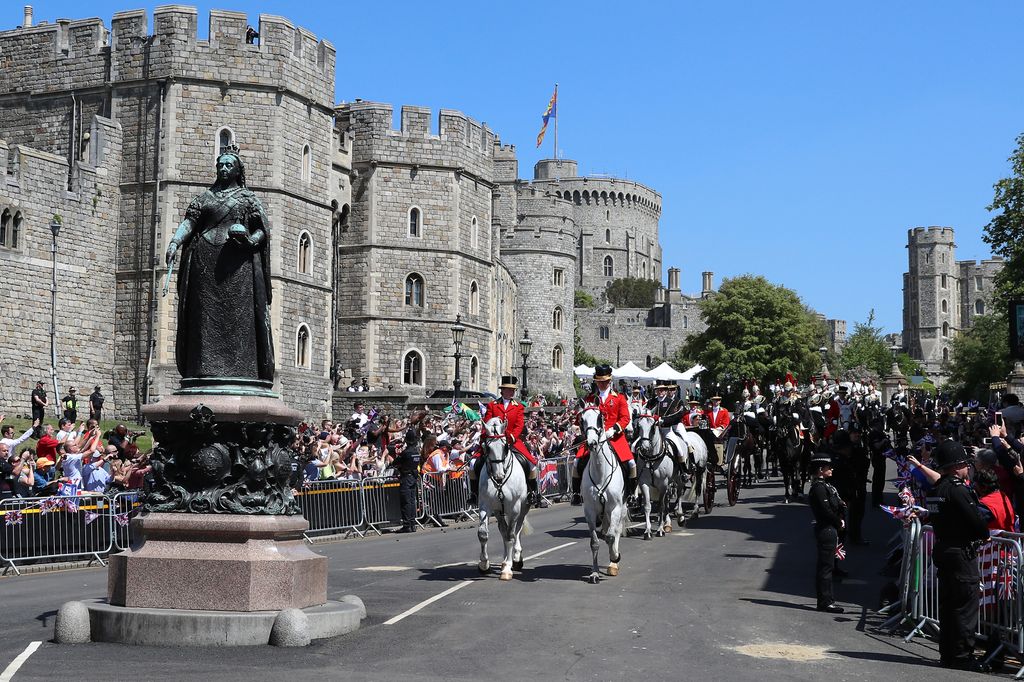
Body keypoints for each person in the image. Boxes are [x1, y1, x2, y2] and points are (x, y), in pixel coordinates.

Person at [164, 145, 275, 383]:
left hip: (238, 264)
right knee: (203, 317)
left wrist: (249, 240)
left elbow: (262, 231)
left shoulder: (248, 198)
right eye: (220, 165)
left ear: (237, 170)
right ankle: (202, 369)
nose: (223, 169)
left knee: (238, 317)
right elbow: (189, 223)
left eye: (228, 165)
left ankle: (242, 371)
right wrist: (174, 242)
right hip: (204, 262)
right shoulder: (204, 198)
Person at [925, 439, 991, 672]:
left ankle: (948, 653)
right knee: (964, 606)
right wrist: (984, 534)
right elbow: (976, 520)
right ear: (955, 466)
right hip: (961, 552)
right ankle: (963, 655)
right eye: (964, 463)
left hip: (943, 548)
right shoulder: (957, 490)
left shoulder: (936, 489)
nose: (967, 467)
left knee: (948, 604)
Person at [468, 375, 547, 508]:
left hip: (512, 441)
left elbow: (519, 425)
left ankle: (533, 493)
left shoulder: (518, 407)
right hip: (494, 441)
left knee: (531, 464)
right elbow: (486, 422)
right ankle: (474, 495)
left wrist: (511, 437)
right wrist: (487, 436)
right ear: (502, 390)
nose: (511, 392)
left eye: (513, 390)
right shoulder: (493, 405)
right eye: (508, 389)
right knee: (473, 464)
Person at [571, 364, 636, 505]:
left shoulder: (619, 398)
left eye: (605, 381)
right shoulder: (590, 400)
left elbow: (625, 418)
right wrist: (578, 424)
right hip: (594, 437)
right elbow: (581, 418)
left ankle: (631, 494)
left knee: (630, 463)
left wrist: (614, 429)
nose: (602, 384)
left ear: (609, 381)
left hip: (615, 437)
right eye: (599, 381)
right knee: (577, 462)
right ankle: (576, 493)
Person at [808, 451, 846, 613]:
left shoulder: (826, 486)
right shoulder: (818, 489)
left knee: (828, 566)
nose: (831, 469)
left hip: (830, 529)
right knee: (826, 567)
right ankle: (825, 601)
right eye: (828, 467)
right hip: (826, 529)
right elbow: (825, 510)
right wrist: (838, 522)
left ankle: (827, 598)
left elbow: (838, 503)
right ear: (820, 469)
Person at [392, 411, 428, 533]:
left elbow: (395, 463)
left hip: (406, 476)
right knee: (412, 501)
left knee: (407, 501)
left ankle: (407, 524)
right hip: (413, 476)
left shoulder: (406, 452)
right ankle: (412, 523)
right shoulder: (416, 451)